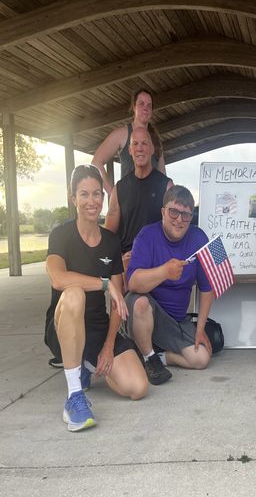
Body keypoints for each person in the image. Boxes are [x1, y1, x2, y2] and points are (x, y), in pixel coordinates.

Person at [44, 165, 148, 432]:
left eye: (97, 194)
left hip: (98, 329)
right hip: (65, 324)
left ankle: (88, 364)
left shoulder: (111, 242)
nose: (91, 201)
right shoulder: (61, 235)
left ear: (103, 197)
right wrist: (103, 284)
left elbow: (117, 302)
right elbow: (58, 278)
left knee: (137, 387)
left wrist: (109, 346)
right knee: (75, 294)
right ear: (73, 199)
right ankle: (74, 395)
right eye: (84, 194)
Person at [125, 185, 214, 385]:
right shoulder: (147, 235)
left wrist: (200, 329)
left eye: (186, 215)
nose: (179, 219)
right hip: (146, 313)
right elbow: (133, 283)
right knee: (140, 303)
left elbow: (206, 288)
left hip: (176, 320)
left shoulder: (198, 238)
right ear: (163, 212)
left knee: (201, 359)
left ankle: (160, 357)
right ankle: (149, 359)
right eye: (173, 211)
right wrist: (164, 272)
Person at [104, 126, 172, 281]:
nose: (139, 148)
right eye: (135, 144)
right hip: (126, 262)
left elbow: (172, 232)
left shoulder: (166, 187)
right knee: (119, 278)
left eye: (144, 143)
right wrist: (118, 259)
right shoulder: (119, 189)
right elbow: (108, 236)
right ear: (129, 150)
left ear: (152, 149)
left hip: (155, 261)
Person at [92, 88, 166, 195]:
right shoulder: (122, 134)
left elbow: (162, 174)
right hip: (129, 202)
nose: (145, 108)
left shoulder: (156, 140)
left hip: (153, 202)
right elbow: (96, 162)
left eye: (149, 105)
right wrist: (113, 194)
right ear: (134, 107)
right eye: (141, 104)